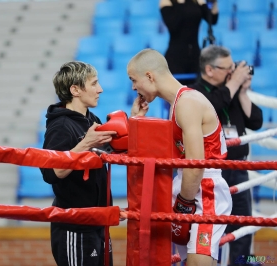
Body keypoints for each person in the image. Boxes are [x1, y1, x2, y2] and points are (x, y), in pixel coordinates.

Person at [127, 48, 232, 266]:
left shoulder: (187, 102)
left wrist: (184, 204)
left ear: (149, 76)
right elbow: (168, 155)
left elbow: (195, 164)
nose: (133, 87)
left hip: (204, 190)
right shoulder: (177, 104)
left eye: (134, 80)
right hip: (190, 188)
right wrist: (137, 120)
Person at [189, 45, 263, 266]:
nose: (233, 72)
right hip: (212, 172)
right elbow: (214, 104)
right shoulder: (195, 93)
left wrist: (242, 91)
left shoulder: (231, 92)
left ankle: (242, 262)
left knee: (243, 224)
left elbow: (256, 121)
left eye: (234, 67)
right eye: (227, 68)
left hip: (238, 168)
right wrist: (234, 84)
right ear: (210, 70)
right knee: (211, 227)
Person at [40, 61, 116, 266]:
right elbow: (50, 173)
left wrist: (136, 117)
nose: (100, 89)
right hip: (75, 227)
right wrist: (85, 144)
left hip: (98, 222)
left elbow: (114, 152)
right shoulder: (60, 126)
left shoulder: (92, 119)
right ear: (75, 90)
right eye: (94, 83)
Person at [159, 0, 219, 85]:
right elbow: (173, 25)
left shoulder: (197, 1)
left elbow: (213, 20)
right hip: (175, 55)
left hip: (195, 54)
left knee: (196, 90)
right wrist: (183, 3)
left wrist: (214, 3)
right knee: (176, 91)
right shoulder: (167, 1)